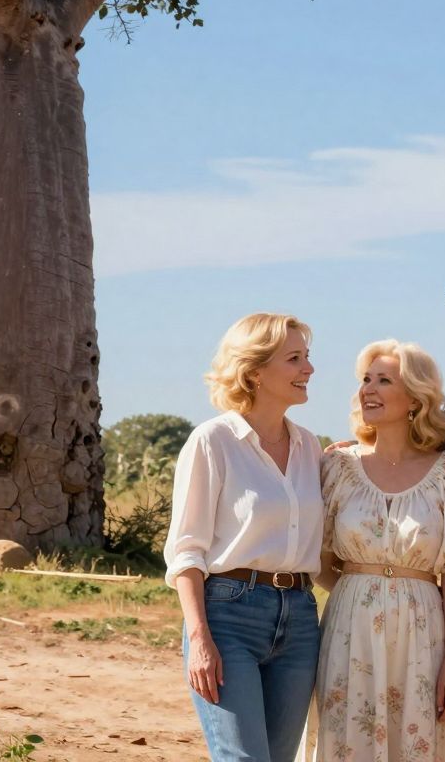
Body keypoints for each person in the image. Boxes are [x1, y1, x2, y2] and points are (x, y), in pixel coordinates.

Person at [165, 313, 327, 762]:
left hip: (299, 618)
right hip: (229, 617)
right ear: (255, 372)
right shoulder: (212, 441)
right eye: (294, 359)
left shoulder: (310, 447)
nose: (308, 370)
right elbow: (186, 551)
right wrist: (199, 638)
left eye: (307, 358)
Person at [303, 340, 445, 762]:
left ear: (415, 397)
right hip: (349, 628)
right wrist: (364, 590)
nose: (368, 390)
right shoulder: (338, 467)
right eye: (365, 380)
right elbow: (319, 560)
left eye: (383, 380)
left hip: (423, 632)